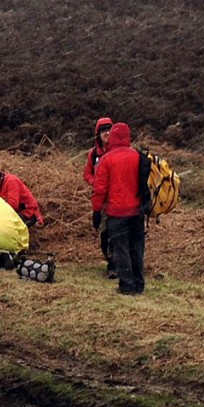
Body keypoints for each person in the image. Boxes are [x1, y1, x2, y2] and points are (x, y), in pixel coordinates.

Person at [90, 122, 146, 295]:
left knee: (120, 249)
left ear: (113, 137)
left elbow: (100, 190)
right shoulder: (138, 156)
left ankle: (127, 286)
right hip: (137, 211)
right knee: (136, 248)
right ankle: (139, 283)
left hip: (116, 212)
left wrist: (97, 211)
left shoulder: (107, 159)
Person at [83, 117, 116, 278]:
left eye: (109, 130)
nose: (107, 133)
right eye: (103, 131)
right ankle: (109, 258)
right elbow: (87, 173)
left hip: (117, 198)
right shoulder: (93, 153)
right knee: (104, 233)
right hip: (101, 200)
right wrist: (94, 182)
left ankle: (114, 265)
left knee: (117, 231)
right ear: (98, 134)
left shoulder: (118, 150)